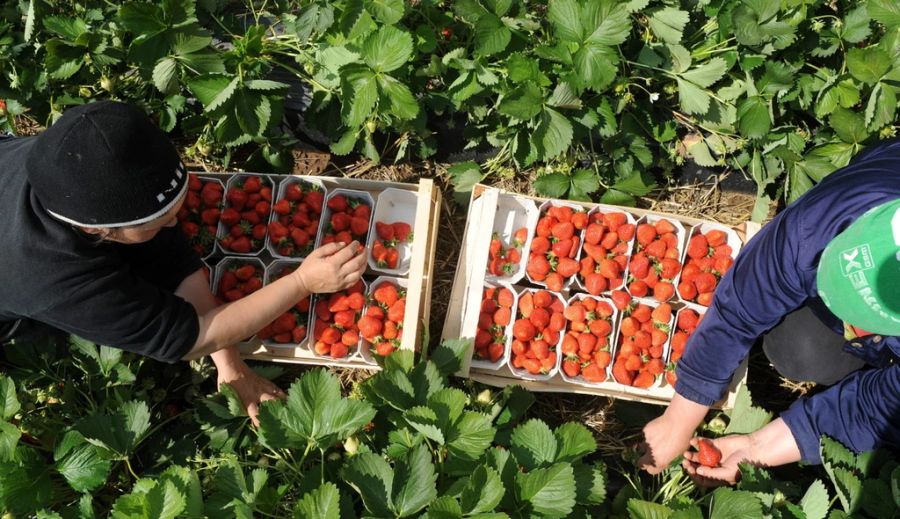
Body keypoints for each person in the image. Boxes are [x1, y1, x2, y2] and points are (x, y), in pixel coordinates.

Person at [0, 101, 367, 425]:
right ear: (98, 230)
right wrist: (302, 283)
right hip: (14, 296)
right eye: (158, 222)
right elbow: (193, 337)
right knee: (42, 336)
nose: (175, 223)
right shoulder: (52, 278)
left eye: (175, 208)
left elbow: (169, 254)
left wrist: (230, 364)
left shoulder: (73, 158)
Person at [639, 139, 900, 485]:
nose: (850, 326)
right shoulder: (830, 215)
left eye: (860, 321)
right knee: (799, 348)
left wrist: (760, 447)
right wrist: (680, 417)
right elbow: (746, 299)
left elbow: (876, 410)